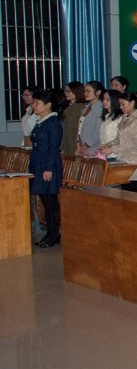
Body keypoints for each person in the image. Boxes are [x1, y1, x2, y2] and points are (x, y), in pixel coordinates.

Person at [29, 89, 63, 249]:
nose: (34, 105)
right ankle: (50, 233)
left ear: (48, 105)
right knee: (45, 200)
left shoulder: (53, 123)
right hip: (39, 164)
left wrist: (49, 168)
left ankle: (54, 233)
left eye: (37, 103)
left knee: (50, 202)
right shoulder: (42, 121)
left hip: (48, 166)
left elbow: (53, 147)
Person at [78, 80, 105, 157]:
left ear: (98, 92)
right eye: (85, 91)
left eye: (88, 91)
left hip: (93, 148)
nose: (85, 94)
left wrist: (87, 145)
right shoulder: (87, 107)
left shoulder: (100, 108)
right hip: (82, 145)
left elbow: (98, 130)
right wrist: (78, 143)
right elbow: (80, 127)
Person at [60, 82, 88, 157]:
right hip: (67, 140)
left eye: (69, 91)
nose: (66, 93)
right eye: (65, 91)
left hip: (75, 140)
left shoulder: (81, 107)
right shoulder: (67, 106)